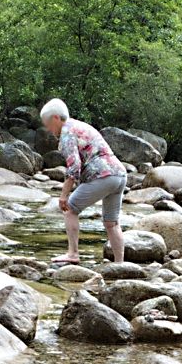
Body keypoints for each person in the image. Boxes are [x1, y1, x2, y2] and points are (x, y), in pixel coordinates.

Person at [40, 98, 126, 264]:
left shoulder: (67, 132)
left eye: (48, 124)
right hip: (119, 175)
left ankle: (73, 254)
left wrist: (64, 195)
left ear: (56, 118)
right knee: (112, 222)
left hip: (102, 175)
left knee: (69, 209)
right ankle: (119, 264)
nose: (48, 130)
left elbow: (74, 167)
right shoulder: (79, 125)